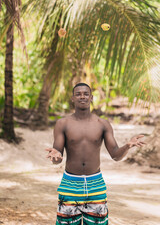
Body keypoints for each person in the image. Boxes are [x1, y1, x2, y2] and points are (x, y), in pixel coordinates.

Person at [46, 82, 146, 225]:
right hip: (70, 184)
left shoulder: (102, 124)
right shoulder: (63, 124)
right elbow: (57, 158)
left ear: (91, 97)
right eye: (78, 94)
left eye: (86, 94)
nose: (82, 97)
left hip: (96, 184)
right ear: (72, 98)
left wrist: (127, 146)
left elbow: (115, 155)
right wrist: (55, 156)